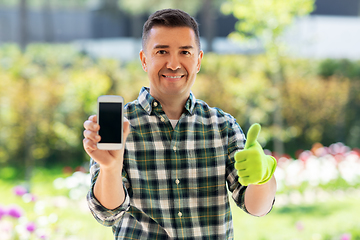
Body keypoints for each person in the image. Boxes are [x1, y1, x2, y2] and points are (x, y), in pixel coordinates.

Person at [83, 8, 277, 239]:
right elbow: (107, 214)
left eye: (185, 52)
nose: (173, 64)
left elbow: (257, 207)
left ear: (198, 61)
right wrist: (110, 168)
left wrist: (263, 175)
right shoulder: (120, 126)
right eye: (162, 51)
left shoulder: (223, 126)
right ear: (144, 60)